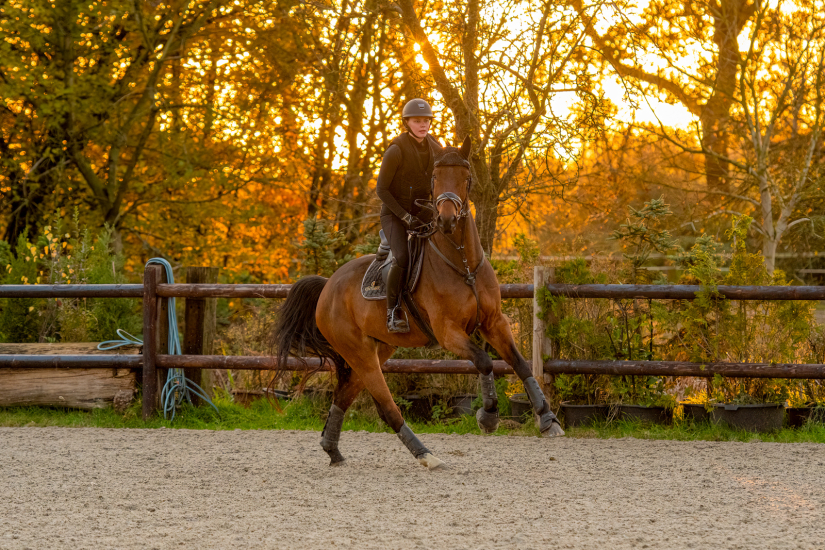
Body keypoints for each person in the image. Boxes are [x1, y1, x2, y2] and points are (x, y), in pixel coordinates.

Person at [375, 98, 442, 333]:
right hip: (395, 214)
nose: (423, 125)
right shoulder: (396, 150)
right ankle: (392, 311)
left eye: (426, 121)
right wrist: (404, 217)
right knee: (402, 257)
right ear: (407, 123)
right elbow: (381, 190)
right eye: (417, 121)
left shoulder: (435, 147)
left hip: (423, 212)